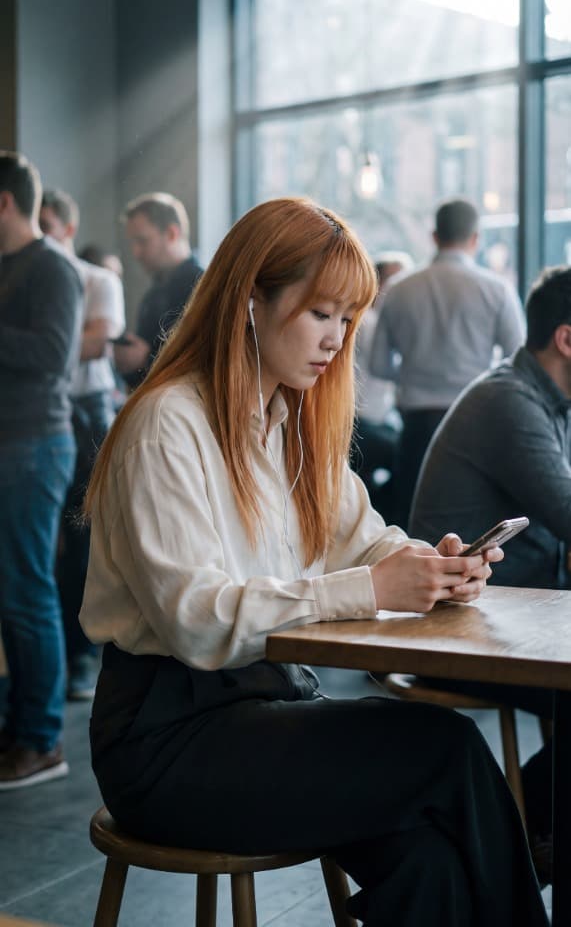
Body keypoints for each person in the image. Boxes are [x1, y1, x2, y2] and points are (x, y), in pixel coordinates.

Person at [78, 197, 547, 927]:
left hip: (267, 705)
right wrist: (368, 587)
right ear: (248, 303)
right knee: (446, 750)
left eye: (346, 319)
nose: (335, 340)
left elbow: (364, 536)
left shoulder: (289, 420)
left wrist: (433, 565)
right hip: (166, 739)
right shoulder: (165, 426)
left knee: (429, 856)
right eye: (318, 313)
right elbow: (196, 622)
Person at [408, 264, 571, 881]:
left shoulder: (548, 401)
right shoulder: (510, 401)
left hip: (517, 620)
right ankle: (505, 850)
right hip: (459, 629)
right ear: (566, 339)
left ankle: (520, 846)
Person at [0, 153, 83, 788]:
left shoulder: (52, 267)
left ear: (4, 203)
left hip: (34, 444)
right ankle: (18, 728)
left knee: (28, 590)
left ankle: (42, 739)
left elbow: (55, 356)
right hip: (12, 442)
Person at [369, 198, 525, 529]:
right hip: (476, 423)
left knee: (412, 526)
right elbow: (517, 362)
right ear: (476, 239)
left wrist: (413, 373)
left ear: (434, 236)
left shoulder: (398, 290)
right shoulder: (496, 290)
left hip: (416, 427)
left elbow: (379, 365)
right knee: (472, 526)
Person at [39, 189, 125, 701]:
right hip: (37, 411)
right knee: (42, 545)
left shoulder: (99, 279)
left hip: (87, 413)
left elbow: (97, 340)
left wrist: (41, 338)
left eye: (47, 223)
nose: (42, 232)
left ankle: (80, 658)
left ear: (68, 229)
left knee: (82, 539)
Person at [113, 192, 202, 389]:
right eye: (133, 243)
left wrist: (146, 358)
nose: (136, 252)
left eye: (142, 241)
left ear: (171, 234)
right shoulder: (153, 294)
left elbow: (208, 362)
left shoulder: (205, 289)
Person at [352, 251, 413, 520]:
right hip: (361, 423)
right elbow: (385, 365)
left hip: (372, 419)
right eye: (395, 282)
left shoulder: (370, 320)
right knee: (406, 456)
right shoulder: (369, 322)